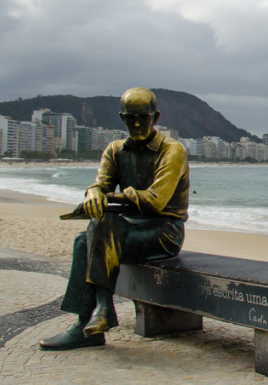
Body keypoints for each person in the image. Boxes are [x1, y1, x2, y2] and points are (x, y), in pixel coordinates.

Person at [39, 87, 190, 351]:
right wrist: (95, 193)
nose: (137, 123)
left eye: (143, 117)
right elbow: (101, 183)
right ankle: (95, 316)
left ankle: (93, 318)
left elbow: (156, 201)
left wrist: (113, 197)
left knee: (89, 236)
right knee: (86, 238)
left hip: (164, 231)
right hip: (125, 228)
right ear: (122, 118)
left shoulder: (172, 151)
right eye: (131, 117)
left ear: (155, 117)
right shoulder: (115, 150)